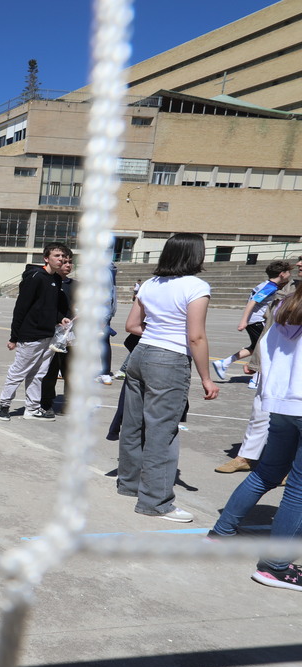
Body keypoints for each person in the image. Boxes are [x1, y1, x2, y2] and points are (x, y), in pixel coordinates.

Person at [117, 233, 219, 522]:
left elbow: (131, 325)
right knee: (163, 431)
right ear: (195, 256)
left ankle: (129, 483)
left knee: (134, 423)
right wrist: (206, 378)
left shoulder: (150, 283)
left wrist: (158, 331)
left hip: (141, 354)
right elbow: (196, 336)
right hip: (169, 359)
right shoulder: (196, 286)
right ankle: (156, 502)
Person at [207, 283, 302, 590]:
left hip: (281, 403)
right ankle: (275, 566)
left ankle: (222, 532)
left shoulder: (283, 309)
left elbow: (267, 355)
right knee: (297, 490)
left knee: (267, 474)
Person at [0, 243, 71, 421]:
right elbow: (21, 308)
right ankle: (4, 405)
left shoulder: (57, 279)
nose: (61, 259)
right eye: (57, 256)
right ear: (46, 258)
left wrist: (60, 318)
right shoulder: (35, 277)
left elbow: (50, 306)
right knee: (19, 372)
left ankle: (32, 408)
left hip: (48, 335)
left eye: (63, 256)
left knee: (39, 374)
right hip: (31, 335)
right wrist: (14, 337)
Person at [212, 261, 296, 382]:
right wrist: (243, 321)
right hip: (257, 321)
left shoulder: (267, 284)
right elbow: (252, 302)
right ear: (282, 274)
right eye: (288, 272)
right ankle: (255, 379)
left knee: (254, 347)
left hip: (253, 321)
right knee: (265, 347)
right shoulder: (270, 287)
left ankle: (224, 363)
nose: (290, 274)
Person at [40, 254, 76, 415]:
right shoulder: (48, 282)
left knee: (70, 370)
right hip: (52, 334)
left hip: (71, 335)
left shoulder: (76, 286)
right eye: (64, 261)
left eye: (70, 262)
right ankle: (46, 402)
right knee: (50, 370)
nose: (67, 265)